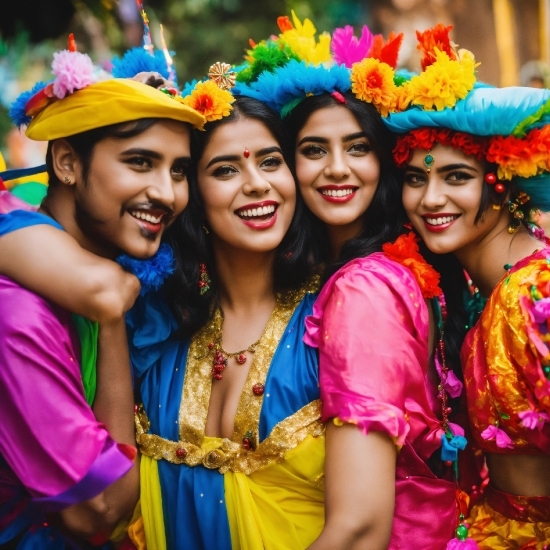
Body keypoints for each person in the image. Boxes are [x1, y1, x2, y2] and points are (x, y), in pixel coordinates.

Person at [235, 16, 466, 549]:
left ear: (383, 163)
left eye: (358, 148)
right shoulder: (343, 271)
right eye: (313, 150)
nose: (337, 169)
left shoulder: (362, 289)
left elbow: (359, 526)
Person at [0, 42, 205, 549]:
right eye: (141, 162)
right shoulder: (18, 310)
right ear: (67, 162)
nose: (168, 193)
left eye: (179, 170)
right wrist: (110, 313)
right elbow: (102, 507)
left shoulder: (113, 275)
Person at [122, 66, 321, 547]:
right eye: (226, 169)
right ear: (191, 194)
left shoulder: (334, 314)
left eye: (271, 162)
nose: (256, 184)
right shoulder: (154, 323)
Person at [383, 23, 550, 548]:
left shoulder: (536, 292)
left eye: (456, 177)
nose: (430, 199)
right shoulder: (473, 291)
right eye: (416, 178)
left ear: (500, 181)